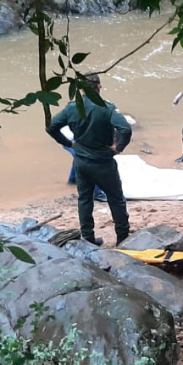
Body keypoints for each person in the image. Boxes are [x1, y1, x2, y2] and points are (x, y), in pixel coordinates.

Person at [46, 72, 132, 246]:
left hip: (81, 161)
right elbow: (125, 129)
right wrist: (118, 148)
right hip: (103, 162)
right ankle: (122, 238)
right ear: (99, 87)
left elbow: (51, 127)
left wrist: (69, 143)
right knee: (116, 199)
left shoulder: (72, 107)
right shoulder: (107, 108)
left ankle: (88, 238)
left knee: (84, 199)